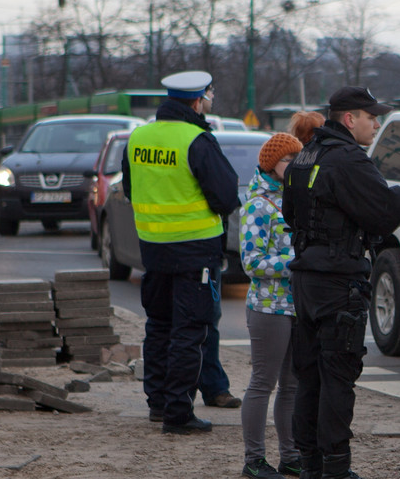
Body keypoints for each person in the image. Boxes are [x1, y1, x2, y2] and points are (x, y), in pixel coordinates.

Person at [282, 86, 400, 479]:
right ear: (349, 119)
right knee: (337, 377)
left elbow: (290, 213)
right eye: (372, 117)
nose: (377, 123)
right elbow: (388, 212)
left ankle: (310, 464)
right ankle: (335, 469)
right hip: (338, 281)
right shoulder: (350, 159)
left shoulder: (305, 154)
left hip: (305, 279)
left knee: (310, 378)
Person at [121, 70, 242, 435]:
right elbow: (225, 196)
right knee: (189, 332)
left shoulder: (138, 137)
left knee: (158, 326)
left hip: (153, 250)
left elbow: (130, 189)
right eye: (208, 97)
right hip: (195, 251)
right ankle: (178, 413)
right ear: (196, 101)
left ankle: (158, 404)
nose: (208, 102)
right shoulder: (198, 139)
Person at [240, 132, 304, 479]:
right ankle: (254, 460)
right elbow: (251, 262)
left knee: (292, 386)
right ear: (270, 165)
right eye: (287, 161)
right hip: (268, 308)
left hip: (295, 306)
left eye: (297, 160)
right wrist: (296, 261)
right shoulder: (257, 205)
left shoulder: (293, 199)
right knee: (262, 383)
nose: (293, 167)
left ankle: (290, 456)